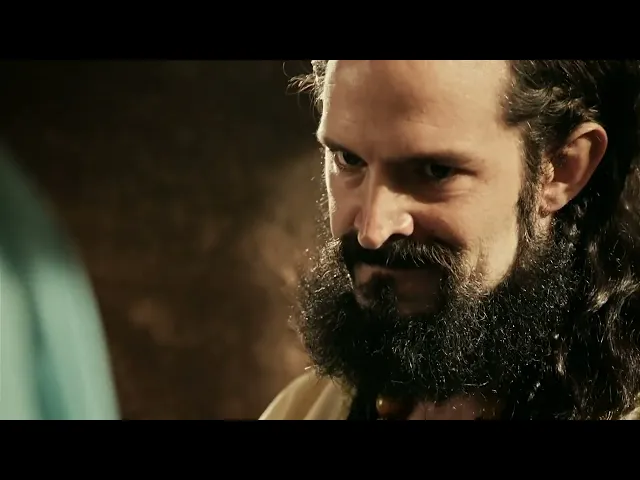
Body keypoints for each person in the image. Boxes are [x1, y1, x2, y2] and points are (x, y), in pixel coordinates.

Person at [260, 60, 640, 420]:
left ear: (562, 169)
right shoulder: (304, 408)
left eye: (435, 171)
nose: (372, 231)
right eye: (348, 159)